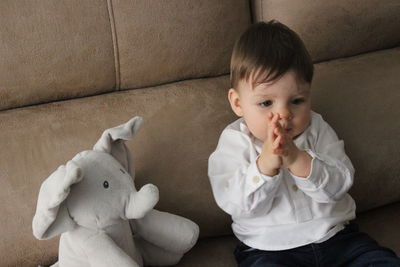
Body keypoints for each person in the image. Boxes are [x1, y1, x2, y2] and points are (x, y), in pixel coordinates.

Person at [208, 20, 400, 266]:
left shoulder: (317, 128)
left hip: (338, 238)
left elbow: (340, 183)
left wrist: (298, 160)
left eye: (297, 100)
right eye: (266, 103)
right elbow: (234, 203)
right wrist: (264, 166)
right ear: (237, 103)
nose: (284, 114)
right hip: (268, 249)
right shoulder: (234, 142)